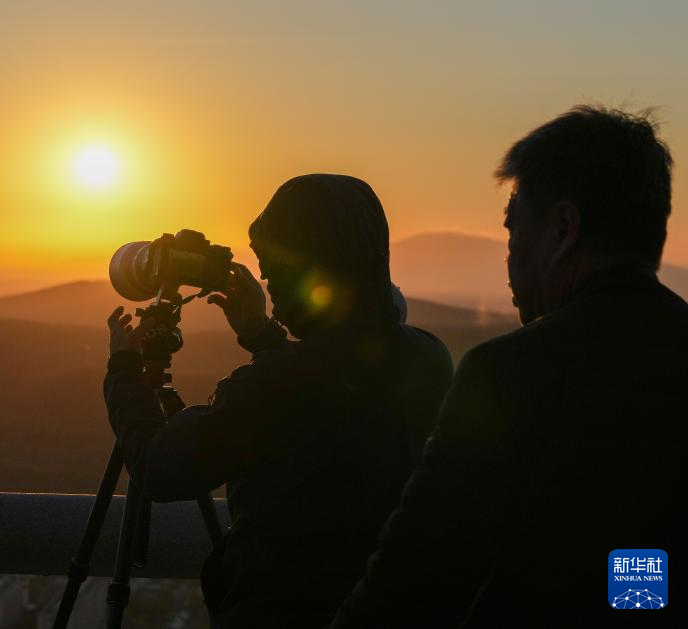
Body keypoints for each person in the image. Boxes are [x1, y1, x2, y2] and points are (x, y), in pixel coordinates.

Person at [328, 106, 687, 627]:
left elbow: (415, 580)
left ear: (563, 229)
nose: (509, 254)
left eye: (513, 227)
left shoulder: (512, 373)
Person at [105, 174, 454, 628]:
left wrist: (123, 372)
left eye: (273, 267)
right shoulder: (428, 356)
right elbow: (331, 390)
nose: (267, 281)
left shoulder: (272, 387)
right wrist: (263, 336)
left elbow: (159, 468)